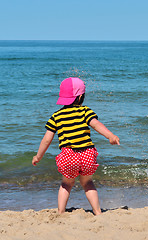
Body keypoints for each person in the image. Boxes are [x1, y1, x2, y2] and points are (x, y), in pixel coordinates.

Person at [32, 77, 120, 215]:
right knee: (87, 183)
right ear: (80, 97)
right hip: (87, 155)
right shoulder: (85, 111)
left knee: (66, 184)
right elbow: (97, 125)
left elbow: (46, 140)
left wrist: (38, 156)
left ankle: (61, 212)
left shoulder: (56, 116)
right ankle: (97, 211)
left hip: (68, 156)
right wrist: (110, 136)